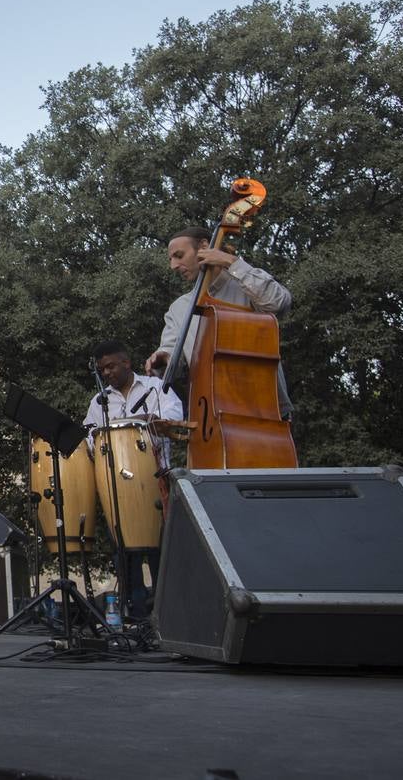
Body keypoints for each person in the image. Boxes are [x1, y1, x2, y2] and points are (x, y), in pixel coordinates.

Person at [144, 226, 293, 418]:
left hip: (265, 411)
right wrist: (163, 358)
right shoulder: (179, 309)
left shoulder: (245, 287)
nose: (173, 265)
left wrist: (232, 262)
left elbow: (279, 302)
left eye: (179, 255)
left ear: (204, 247)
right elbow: (172, 355)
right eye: (171, 259)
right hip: (209, 417)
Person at [85, 340, 183, 619]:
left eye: (111, 366)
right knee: (125, 557)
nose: (106, 373)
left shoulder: (156, 388)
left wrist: (144, 420)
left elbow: (176, 417)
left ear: (126, 363)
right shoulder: (99, 401)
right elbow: (89, 438)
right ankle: (134, 616)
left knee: (160, 555)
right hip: (117, 487)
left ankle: (170, 617)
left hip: (156, 480)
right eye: (102, 369)